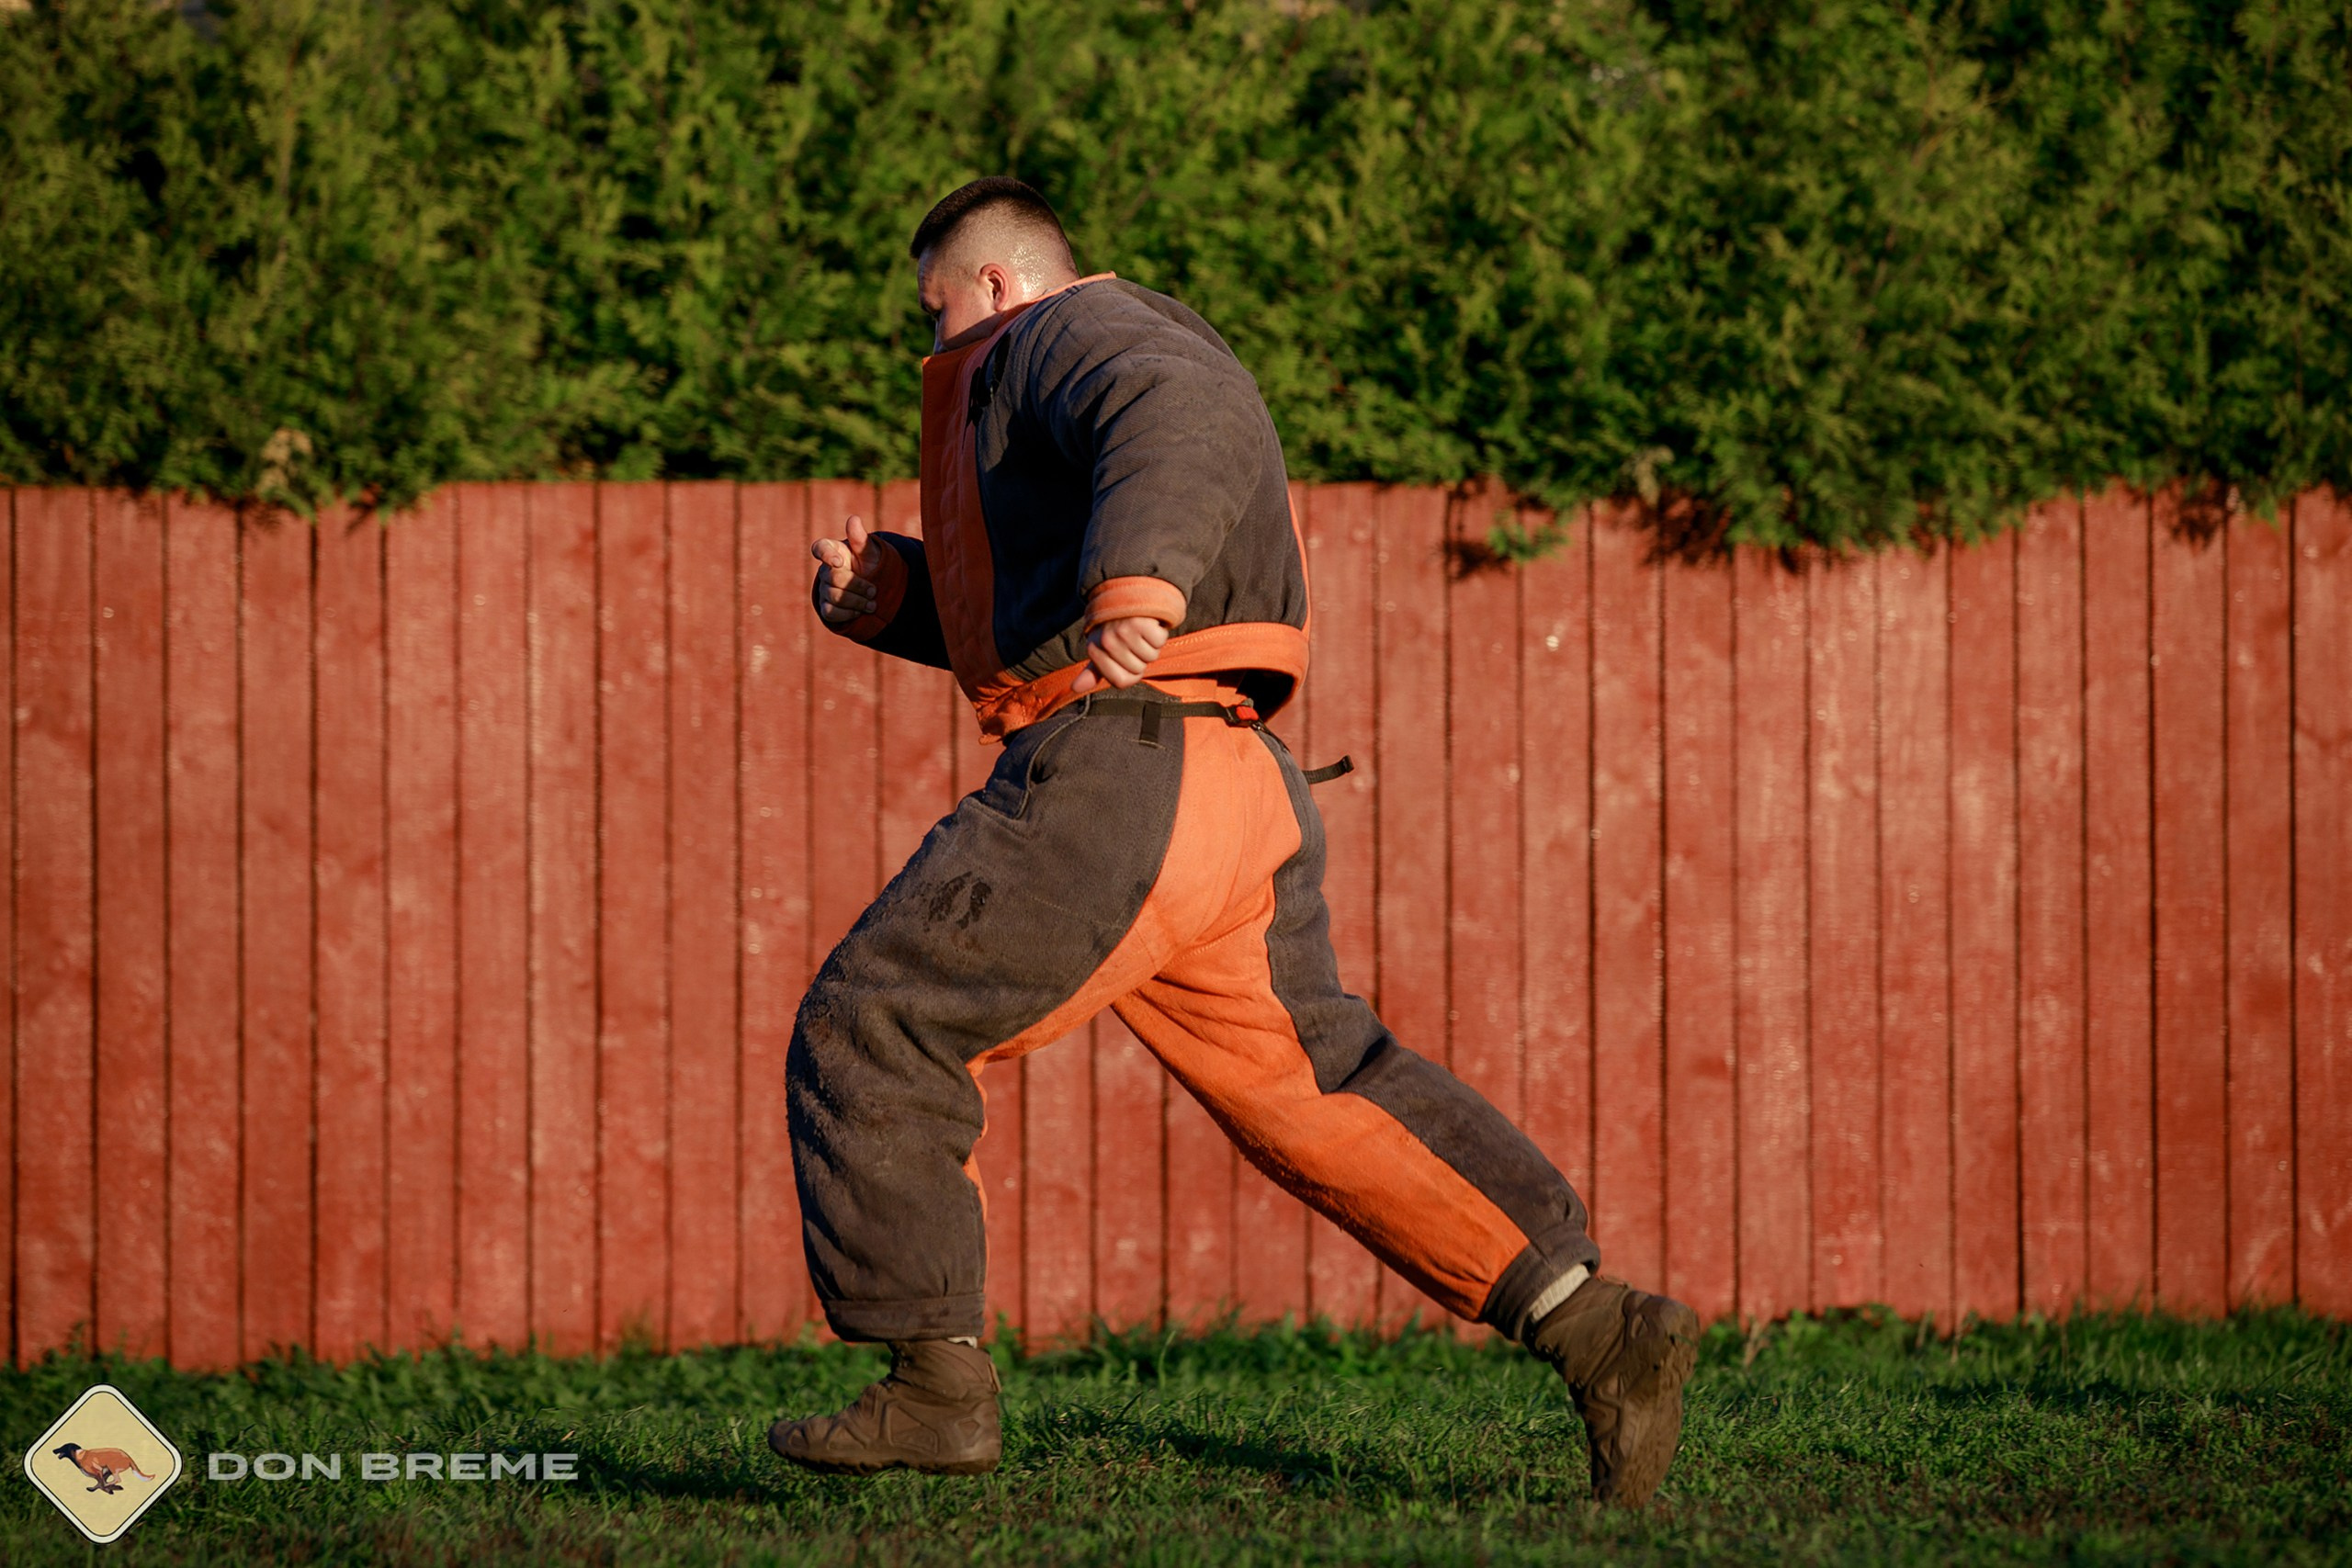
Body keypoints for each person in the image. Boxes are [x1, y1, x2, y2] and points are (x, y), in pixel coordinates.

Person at [767, 177, 1699, 1506]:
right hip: (1226, 779)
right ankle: (1601, 1329)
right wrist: (896, 596)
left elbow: (1179, 416)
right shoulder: (1080, 355)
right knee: (1324, 1093)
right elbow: (1045, 595)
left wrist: (1141, 575)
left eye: (932, 313)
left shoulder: (1068, 334)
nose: (928, 348)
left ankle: (933, 1389)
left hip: (1116, 777)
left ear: (993, 286)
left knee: (877, 1022)